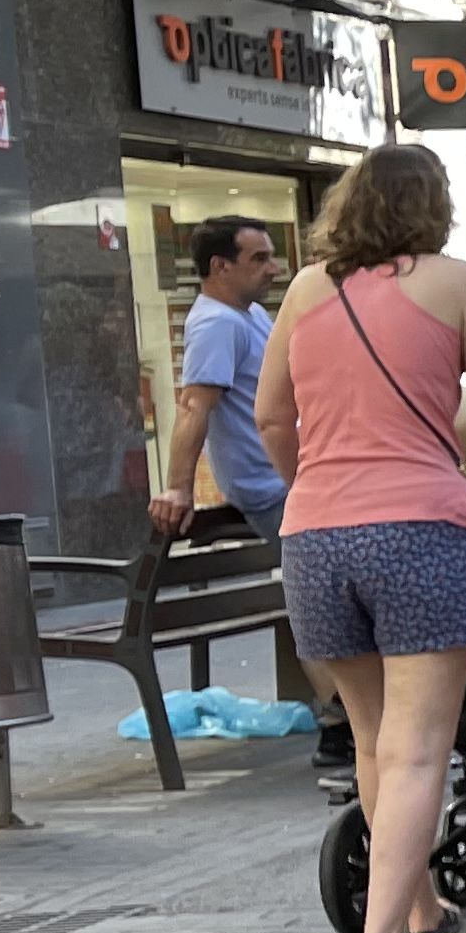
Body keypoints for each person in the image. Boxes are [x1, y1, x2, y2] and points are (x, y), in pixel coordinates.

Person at [252, 145, 466, 933]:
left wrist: (317, 483)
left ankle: (420, 917)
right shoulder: (452, 282)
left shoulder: (304, 290)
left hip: (316, 540)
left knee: (374, 743)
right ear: (433, 207)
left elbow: (271, 419)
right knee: (418, 747)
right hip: (420, 529)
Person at [149, 212, 348, 783]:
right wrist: (177, 487)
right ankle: (343, 724)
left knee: (329, 595)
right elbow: (194, 407)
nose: (274, 267)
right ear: (220, 267)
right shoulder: (215, 323)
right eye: (258, 258)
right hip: (273, 489)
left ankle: (355, 721)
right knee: (325, 601)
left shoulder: (252, 314)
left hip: (298, 478)